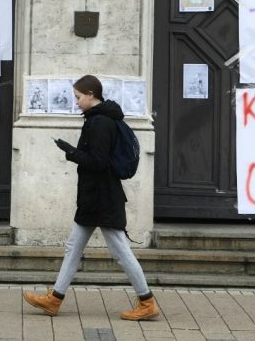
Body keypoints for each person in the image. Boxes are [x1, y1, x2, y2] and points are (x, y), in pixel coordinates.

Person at [23, 74, 160, 321]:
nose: (76, 102)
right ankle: (54, 299)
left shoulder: (100, 123)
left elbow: (97, 161)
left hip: (102, 197)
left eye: (78, 97)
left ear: (90, 95)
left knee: (120, 252)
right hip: (94, 196)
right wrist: (74, 152)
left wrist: (71, 152)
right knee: (73, 248)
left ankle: (147, 301)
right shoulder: (100, 119)